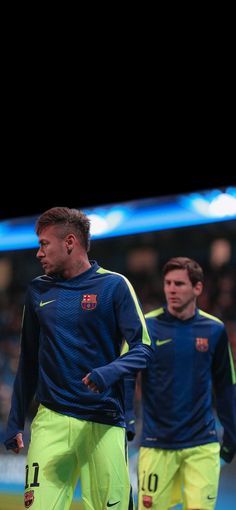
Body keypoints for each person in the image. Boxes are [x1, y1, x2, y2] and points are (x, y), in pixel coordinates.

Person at [4, 206, 153, 510]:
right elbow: (29, 360)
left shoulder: (114, 286)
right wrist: (15, 421)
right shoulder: (37, 291)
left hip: (103, 423)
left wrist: (109, 372)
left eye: (44, 244)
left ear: (69, 242)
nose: (38, 253)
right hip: (50, 421)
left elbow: (144, 348)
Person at [126, 257, 236, 510]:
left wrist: (232, 432)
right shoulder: (146, 326)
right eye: (167, 283)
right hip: (156, 444)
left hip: (202, 444)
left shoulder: (215, 330)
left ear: (197, 288)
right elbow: (126, 374)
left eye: (179, 284)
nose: (171, 289)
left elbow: (226, 386)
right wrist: (127, 415)